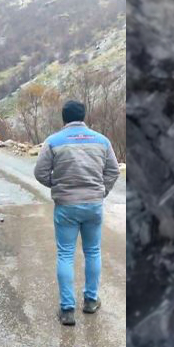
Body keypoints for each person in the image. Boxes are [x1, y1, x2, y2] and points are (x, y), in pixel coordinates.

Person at [34, 100, 120, 326]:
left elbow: (40, 172)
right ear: (84, 116)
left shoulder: (53, 141)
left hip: (66, 206)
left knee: (65, 254)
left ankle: (67, 310)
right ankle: (91, 301)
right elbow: (113, 171)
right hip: (93, 205)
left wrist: (58, 186)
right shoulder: (102, 141)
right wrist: (101, 191)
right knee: (93, 251)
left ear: (64, 118)